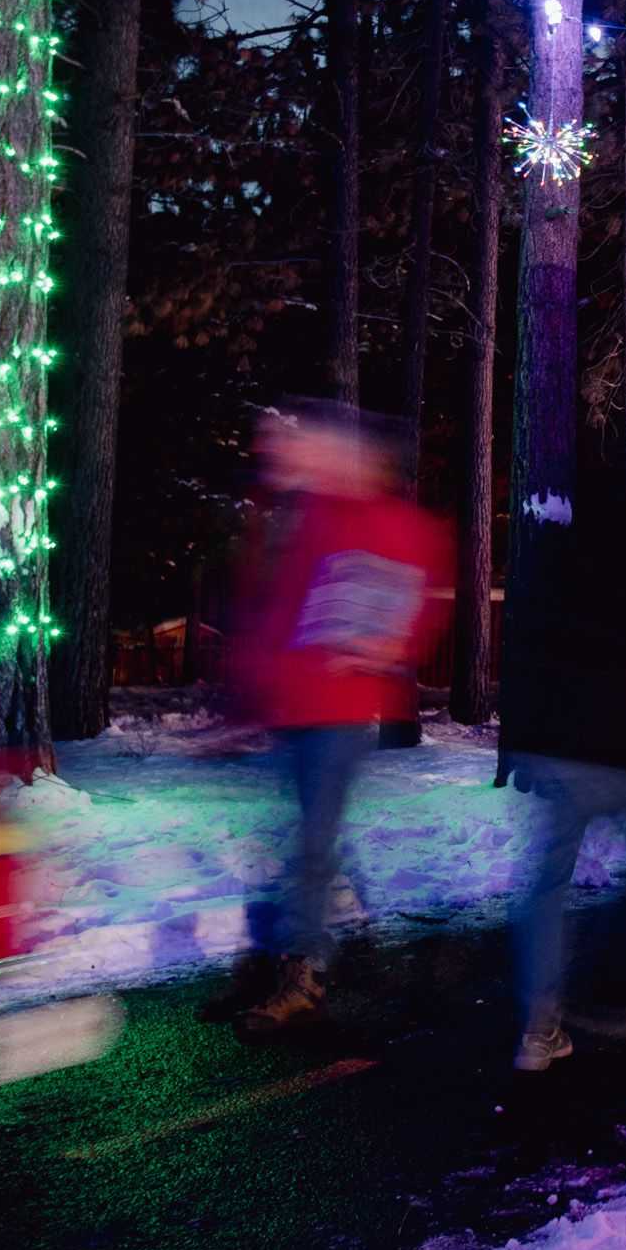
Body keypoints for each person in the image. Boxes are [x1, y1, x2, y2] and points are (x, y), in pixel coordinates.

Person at [209, 404, 449, 1041]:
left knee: (310, 846)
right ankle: (317, 944)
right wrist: (246, 702)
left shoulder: (399, 524)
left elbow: (414, 610)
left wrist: (381, 651)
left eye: (312, 447)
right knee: (299, 840)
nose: (295, 456)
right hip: (290, 707)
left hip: (340, 713)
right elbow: (276, 611)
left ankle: (303, 974)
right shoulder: (308, 516)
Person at [501, 455, 626, 1071]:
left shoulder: (553, 553)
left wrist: (522, 742)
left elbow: (526, 650)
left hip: (562, 746)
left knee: (548, 888)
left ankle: (540, 1028)